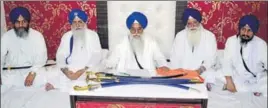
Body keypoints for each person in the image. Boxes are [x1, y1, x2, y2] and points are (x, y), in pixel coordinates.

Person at [45, 9, 102, 91]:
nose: (77, 25)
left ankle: (63, 85)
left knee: (92, 76)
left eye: (80, 22)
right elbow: (60, 55)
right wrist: (66, 71)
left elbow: (96, 55)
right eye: (74, 22)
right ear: (71, 24)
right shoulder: (66, 36)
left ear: (84, 23)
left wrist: (81, 71)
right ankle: (64, 83)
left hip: (87, 67)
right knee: (52, 72)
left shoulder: (93, 35)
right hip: (70, 67)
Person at [219, 14, 267, 108]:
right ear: (239, 29)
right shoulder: (231, 41)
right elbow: (226, 62)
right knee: (213, 75)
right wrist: (229, 81)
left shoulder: (261, 44)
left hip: (255, 79)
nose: (245, 33)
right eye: (243, 29)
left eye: (249, 30)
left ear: (254, 31)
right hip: (236, 77)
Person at [105, 11, 169, 75]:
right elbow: (111, 62)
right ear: (129, 29)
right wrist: (107, 66)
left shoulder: (151, 41)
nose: (136, 33)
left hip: (147, 79)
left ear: (143, 29)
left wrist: (164, 66)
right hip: (125, 78)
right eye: (133, 29)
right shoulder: (121, 43)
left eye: (139, 29)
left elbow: (159, 58)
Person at [169, 8, 217, 87]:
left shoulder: (209, 36)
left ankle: (205, 86)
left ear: (199, 21)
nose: (193, 26)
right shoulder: (180, 36)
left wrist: (199, 71)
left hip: (201, 71)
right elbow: (174, 56)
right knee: (171, 72)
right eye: (189, 23)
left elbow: (211, 58)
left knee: (210, 73)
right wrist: (180, 71)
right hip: (183, 71)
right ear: (186, 24)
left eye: (195, 22)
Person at [1, 6, 47, 88]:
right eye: (17, 22)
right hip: (12, 71)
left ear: (28, 22)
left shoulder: (37, 36)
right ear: (13, 23)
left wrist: (32, 73)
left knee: (42, 82)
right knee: (6, 86)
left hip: (33, 69)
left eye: (24, 21)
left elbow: (42, 58)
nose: (21, 25)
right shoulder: (6, 36)